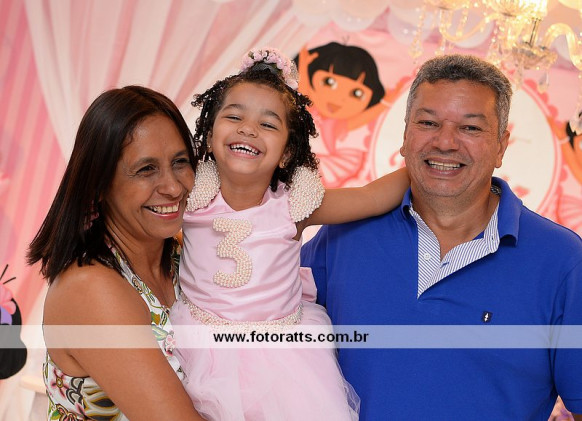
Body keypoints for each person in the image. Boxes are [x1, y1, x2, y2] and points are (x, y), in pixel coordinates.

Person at [301, 54, 582, 420]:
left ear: (501, 146)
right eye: (428, 123)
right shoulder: (343, 235)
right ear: (405, 137)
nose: (446, 142)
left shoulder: (562, 261)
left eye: (470, 128)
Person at [170, 47, 409, 420]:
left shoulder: (294, 206)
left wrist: (421, 160)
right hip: (199, 346)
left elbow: (371, 197)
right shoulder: (189, 197)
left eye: (268, 124)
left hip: (280, 358)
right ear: (210, 133)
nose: (248, 128)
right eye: (234, 116)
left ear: (286, 153)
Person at [27, 86, 204, 420]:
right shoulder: (89, 289)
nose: (173, 187)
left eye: (180, 162)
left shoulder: (185, 258)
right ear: (98, 185)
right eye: (146, 169)